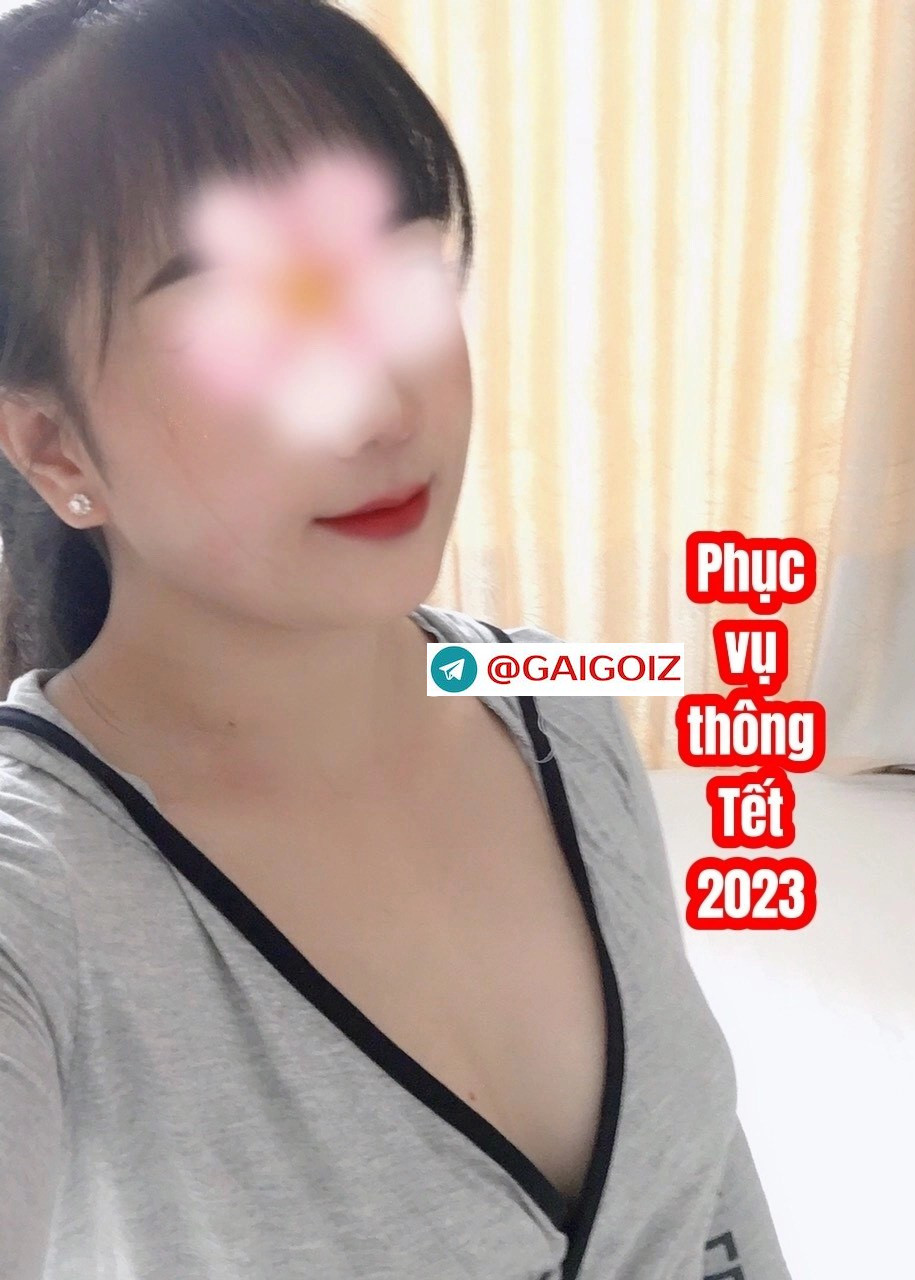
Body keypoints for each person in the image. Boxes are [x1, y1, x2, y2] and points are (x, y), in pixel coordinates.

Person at [0, 2, 794, 1278]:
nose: (382, 406)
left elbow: (704, 1183)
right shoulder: (39, 893)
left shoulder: (554, 700)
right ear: (53, 447)